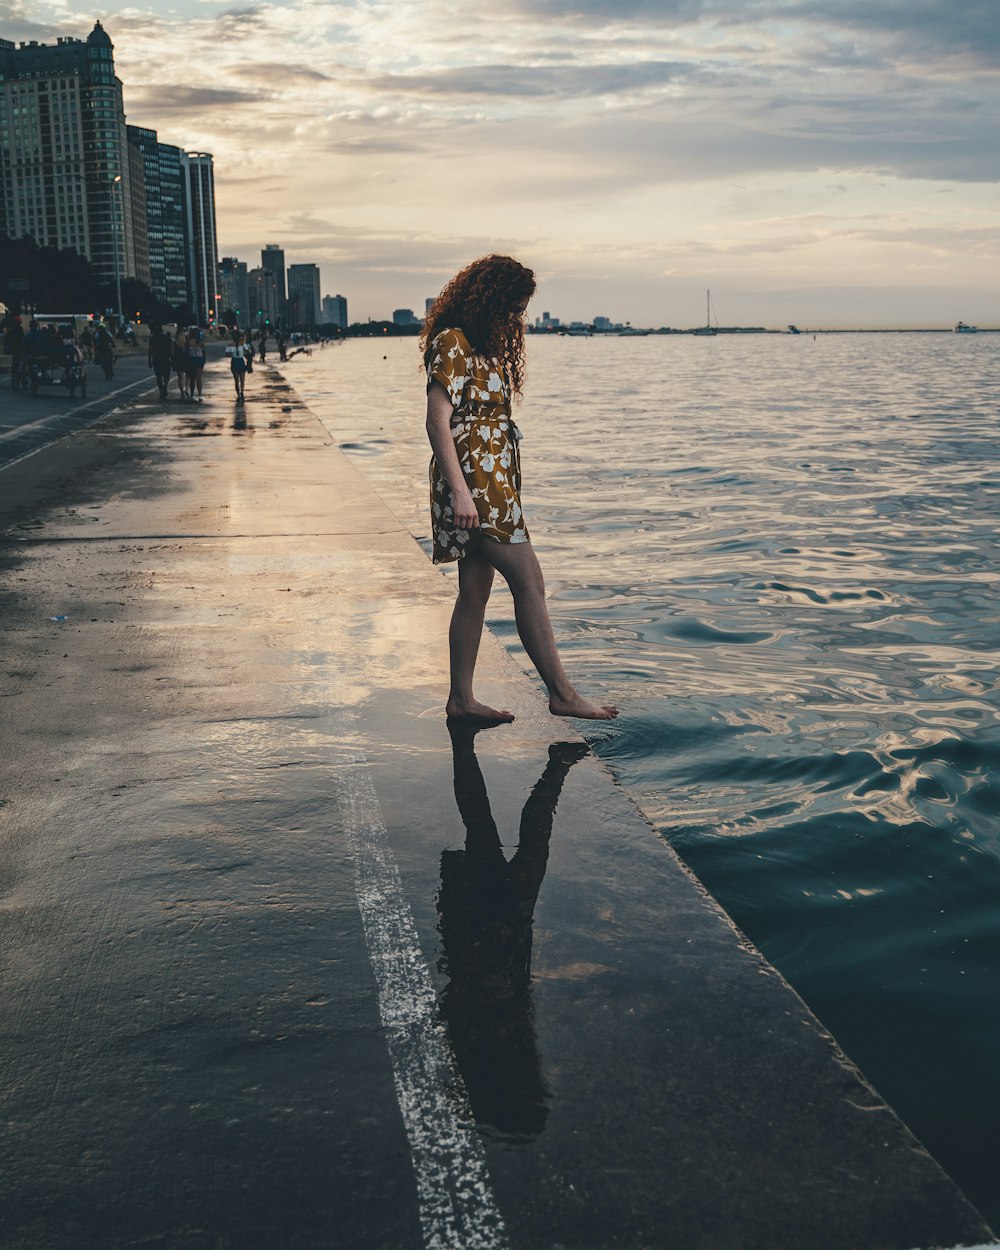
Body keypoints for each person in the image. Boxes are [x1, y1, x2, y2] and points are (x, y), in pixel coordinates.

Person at [422, 253, 618, 723]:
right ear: (488, 300)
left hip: (493, 479)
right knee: (529, 579)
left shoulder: (483, 345)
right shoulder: (454, 340)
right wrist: (461, 492)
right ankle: (563, 694)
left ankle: (461, 700)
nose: (515, 318)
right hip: (475, 481)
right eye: (511, 307)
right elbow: (436, 419)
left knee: (474, 591)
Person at [147, 323, 173, 398]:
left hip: (156, 359)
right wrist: (172, 358)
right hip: (166, 358)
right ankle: (165, 386)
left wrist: (149, 360)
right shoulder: (166, 337)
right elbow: (171, 349)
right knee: (167, 375)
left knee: (158, 376)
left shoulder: (152, 338)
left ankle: (161, 389)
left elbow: (150, 350)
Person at [226, 331, 251, 402]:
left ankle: (240, 394)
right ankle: (240, 393)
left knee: (238, 380)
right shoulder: (234, 345)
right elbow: (249, 352)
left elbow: (248, 351)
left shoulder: (241, 345)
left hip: (237, 361)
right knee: (239, 380)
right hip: (238, 361)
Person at [185, 326, 206, 402]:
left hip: (191, 360)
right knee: (199, 378)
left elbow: (186, 351)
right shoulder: (200, 342)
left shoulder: (188, 341)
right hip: (199, 360)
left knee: (192, 378)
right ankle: (200, 394)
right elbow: (204, 351)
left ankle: (192, 394)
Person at [172, 327, 189, 400]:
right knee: (188, 376)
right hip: (186, 359)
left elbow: (172, 352)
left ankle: (182, 393)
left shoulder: (174, 342)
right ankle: (187, 390)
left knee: (180, 377)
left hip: (177, 360)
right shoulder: (186, 342)